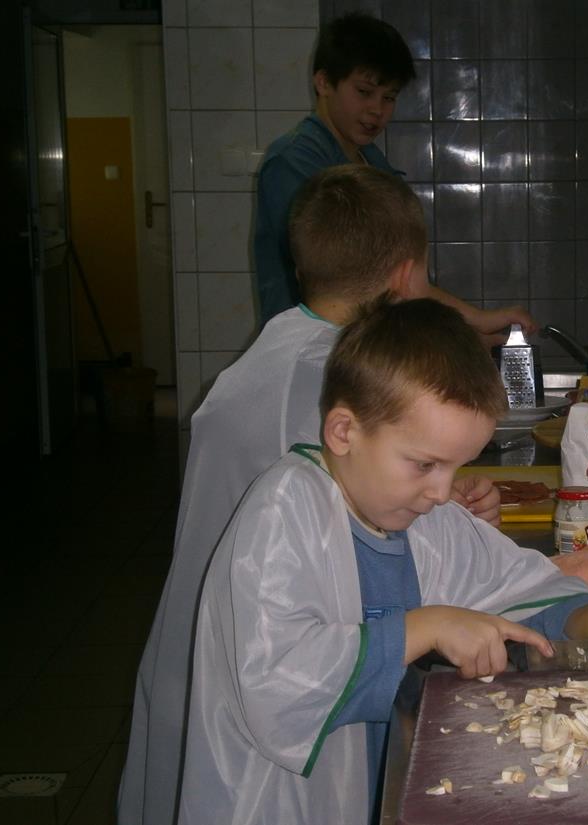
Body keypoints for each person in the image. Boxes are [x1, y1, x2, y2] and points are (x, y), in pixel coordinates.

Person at [118, 166, 504, 825]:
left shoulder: (275, 351)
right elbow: (358, 532)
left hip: (205, 646)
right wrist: (442, 520)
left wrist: (436, 499)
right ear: (405, 278)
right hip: (274, 670)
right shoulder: (336, 382)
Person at [178, 298, 588, 825]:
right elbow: (275, 682)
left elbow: (511, 585)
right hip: (277, 801)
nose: (442, 491)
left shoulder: (418, 513)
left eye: (455, 467)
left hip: (377, 777)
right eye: (425, 465)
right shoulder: (283, 512)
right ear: (344, 432)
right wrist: (426, 627)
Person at [254, 11, 533, 339]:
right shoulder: (294, 162)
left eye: (389, 97)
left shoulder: (370, 161)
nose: (377, 110)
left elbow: (400, 272)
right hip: (314, 346)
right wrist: (472, 323)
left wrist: (465, 331)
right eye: (364, 92)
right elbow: (368, 270)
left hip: (358, 343)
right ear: (324, 82)